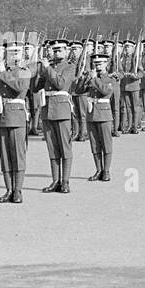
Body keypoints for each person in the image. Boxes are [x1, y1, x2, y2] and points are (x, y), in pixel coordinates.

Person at [0, 40, 30, 203]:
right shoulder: (0, 72)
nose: (13, 56)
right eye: (10, 53)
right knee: (5, 156)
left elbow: (19, 87)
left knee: (18, 155)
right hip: (1, 117)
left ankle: (18, 190)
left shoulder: (24, 70)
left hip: (16, 117)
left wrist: (3, 73)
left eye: (16, 52)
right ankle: (8, 189)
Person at [32, 36, 77, 193]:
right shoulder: (47, 67)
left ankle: (65, 181)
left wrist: (47, 69)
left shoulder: (70, 67)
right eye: (54, 50)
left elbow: (60, 84)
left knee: (65, 147)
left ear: (66, 51)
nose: (56, 53)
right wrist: (39, 72)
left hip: (61, 109)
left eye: (59, 50)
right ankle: (55, 180)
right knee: (52, 147)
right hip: (47, 110)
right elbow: (34, 88)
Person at [75, 51, 115, 181]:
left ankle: (106, 171)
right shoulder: (91, 78)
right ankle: (98, 170)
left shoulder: (110, 78)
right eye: (95, 63)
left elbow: (105, 91)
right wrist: (82, 79)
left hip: (103, 113)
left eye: (100, 63)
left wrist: (94, 79)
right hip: (92, 114)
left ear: (106, 64)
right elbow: (79, 91)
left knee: (106, 143)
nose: (97, 66)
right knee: (95, 144)